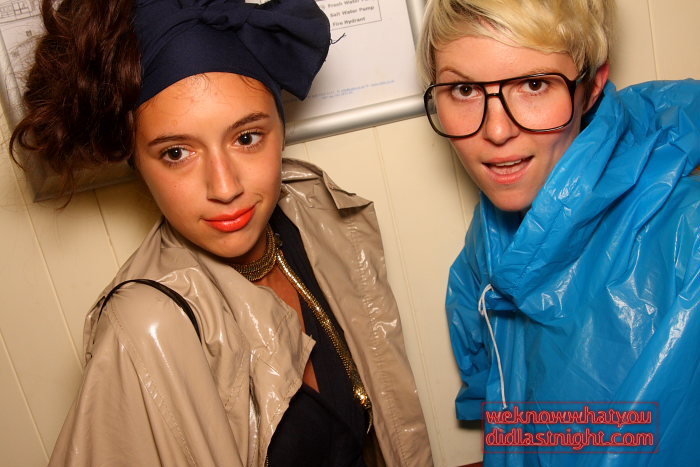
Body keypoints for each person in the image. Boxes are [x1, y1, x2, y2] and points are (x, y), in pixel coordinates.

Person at [10, 0, 433, 465]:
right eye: (176, 153)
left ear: (280, 129)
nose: (226, 187)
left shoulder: (316, 222)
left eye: (247, 138)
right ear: (137, 163)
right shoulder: (147, 327)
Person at [418, 0, 699, 465]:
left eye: (534, 84)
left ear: (592, 87)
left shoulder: (687, 237)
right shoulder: (488, 238)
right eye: (464, 89)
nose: (497, 130)